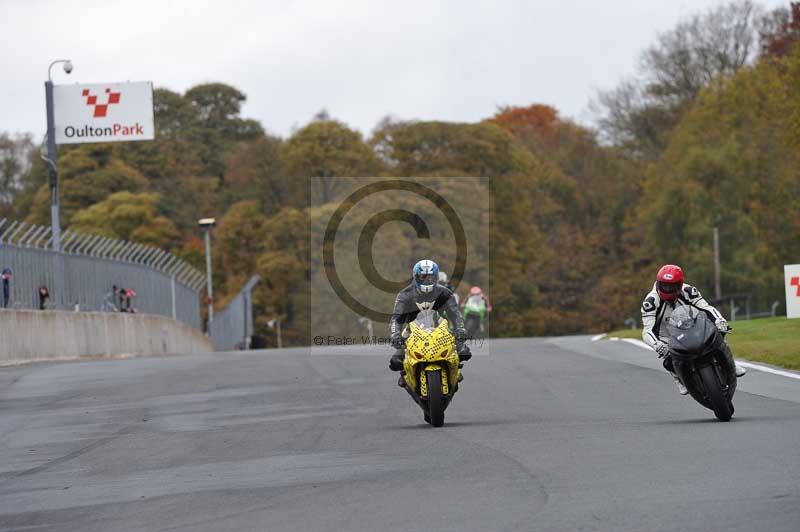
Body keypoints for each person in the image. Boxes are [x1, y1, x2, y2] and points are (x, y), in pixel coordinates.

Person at [641, 264, 745, 395]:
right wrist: (657, 345)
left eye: (672, 287)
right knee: (668, 359)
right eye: (665, 286)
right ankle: (679, 378)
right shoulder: (650, 302)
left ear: (680, 284)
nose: (668, 290)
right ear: (658, 283)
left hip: (692, 326)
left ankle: (731, 364)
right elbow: (647, 330)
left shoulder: (689, 291)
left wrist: (720, 320)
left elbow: (706, 308)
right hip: (667, 335)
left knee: (717, 335)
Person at [389, 259, 471, 373]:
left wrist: (460, 329)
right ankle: (406, 374)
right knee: (395, 362)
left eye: (431, 277)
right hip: (412, 331)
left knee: (464, 352)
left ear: (437, 278)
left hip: (442, 329)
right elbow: (396, 318)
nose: (427, 280)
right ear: (415, 277)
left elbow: (456, 314)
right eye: (423, 277)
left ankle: (453, 371)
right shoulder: (404, 294)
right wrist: (395, 334)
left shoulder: (445, 293)